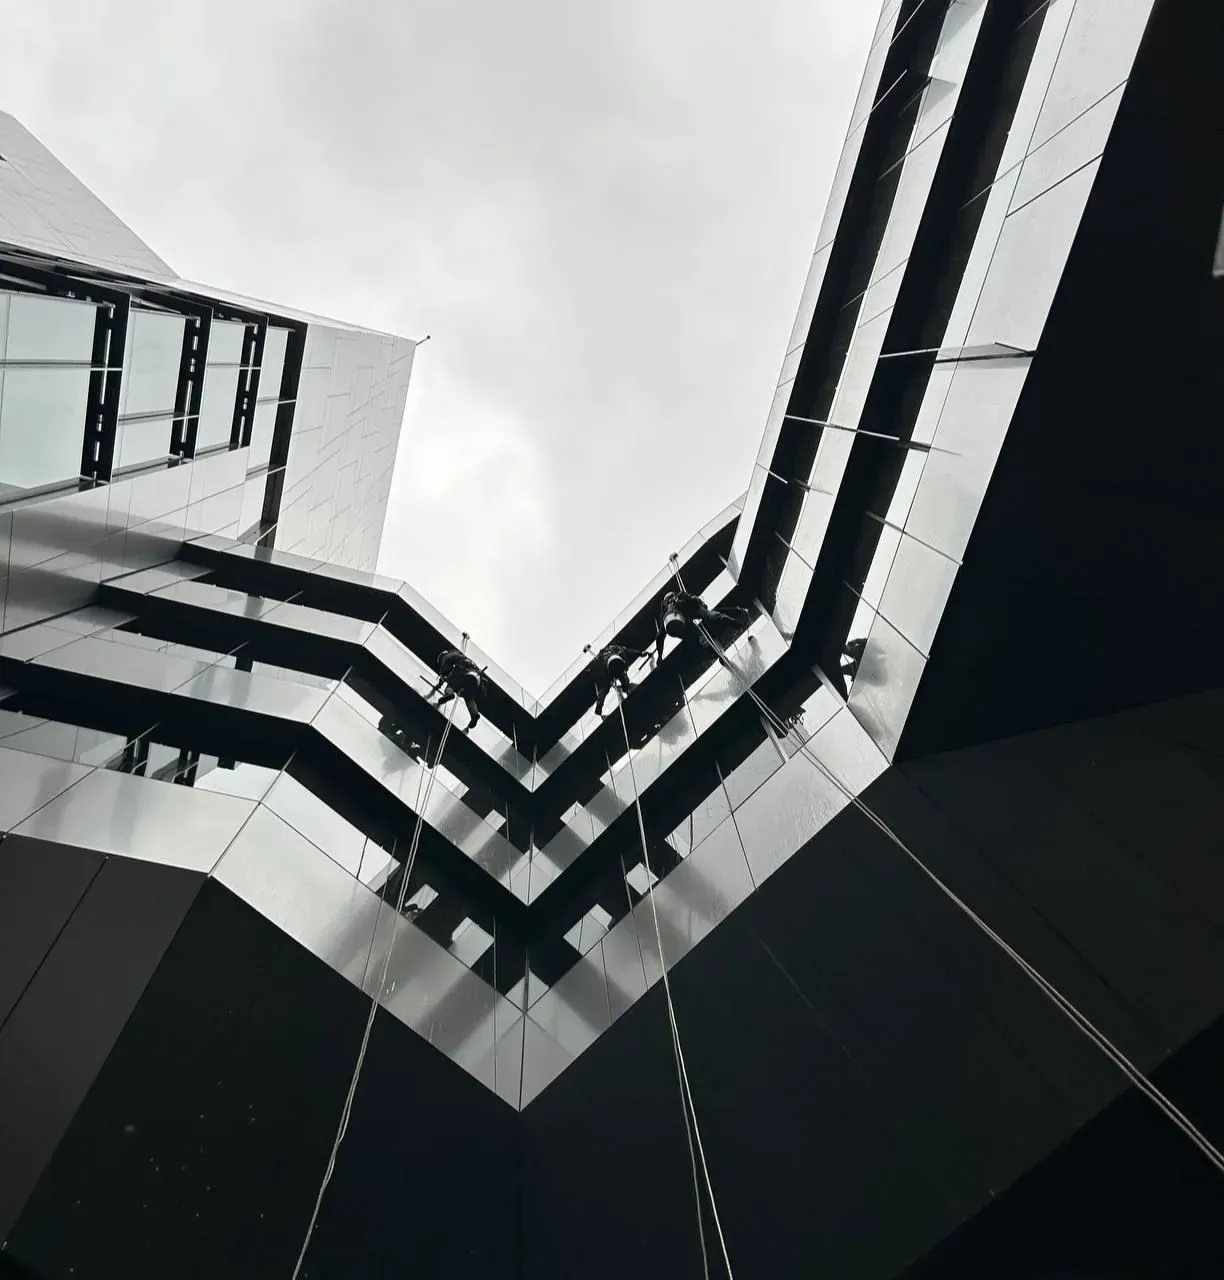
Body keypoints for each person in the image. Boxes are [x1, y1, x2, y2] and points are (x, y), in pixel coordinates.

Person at [655, 589, 750, 662]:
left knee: (702, 636)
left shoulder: (666, 614)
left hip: (685, 619)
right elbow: (696, 601)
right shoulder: (678, 600)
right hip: (691, 612)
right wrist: (688, 598)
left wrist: (659, 656)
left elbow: (660, 636)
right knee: (713, 617)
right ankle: (735, 624)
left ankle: (718, 652)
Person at [424, 648, 486, 731]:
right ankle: (474, 714)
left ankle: (449, 694)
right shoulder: (465, 659)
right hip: (475, 680)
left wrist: (441, 679)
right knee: (469, 698)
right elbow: (482, 690)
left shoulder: (448, 656)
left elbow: (445, 669)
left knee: (451, 685)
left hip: (462, 673)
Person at [585, 642, 649, 716]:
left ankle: (599, 707)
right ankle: (626, 689)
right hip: (616, 662)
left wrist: (590, 670)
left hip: (610, 667)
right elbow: (628, 651)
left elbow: (596, 665)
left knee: (605, 687)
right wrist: (640, 653)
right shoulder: (616, 648)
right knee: (622, 679)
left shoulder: (602, 655)